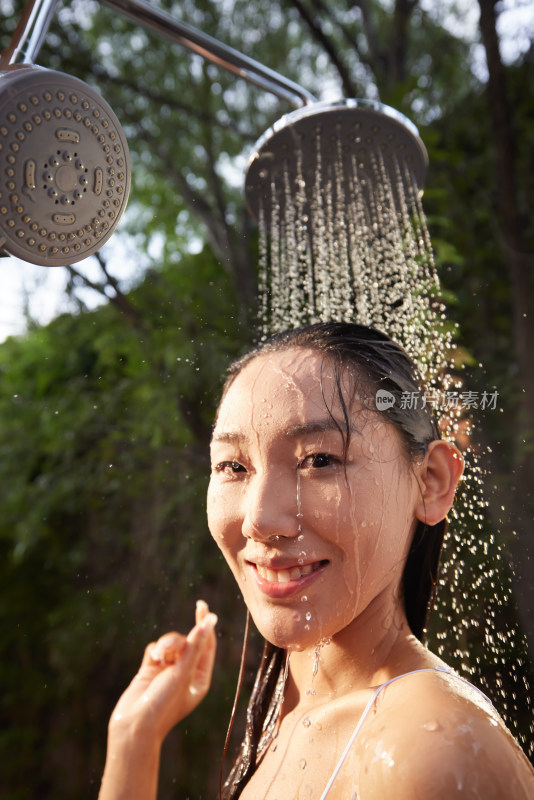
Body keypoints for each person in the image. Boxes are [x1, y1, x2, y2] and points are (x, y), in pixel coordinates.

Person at [98, 322, 534, 799]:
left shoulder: (427, 749)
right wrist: (134, 738)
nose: (259, 520)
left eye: (319, 460)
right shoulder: (292, 715)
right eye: (233, 466)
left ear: (431, 481)